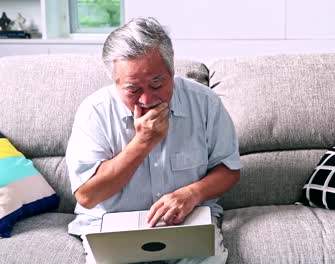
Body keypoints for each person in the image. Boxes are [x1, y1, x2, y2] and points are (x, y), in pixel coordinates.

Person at [65, 17, 241, 264]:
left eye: (157, 83)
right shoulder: (94, 112)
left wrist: (192, 193)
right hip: (113, 227)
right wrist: (143, 142)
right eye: (133, 89)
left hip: (188, 222)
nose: (147, 99)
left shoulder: (205, 103)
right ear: (115, 82)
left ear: (172, 71)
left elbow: (230, 169)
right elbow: (87, 196)